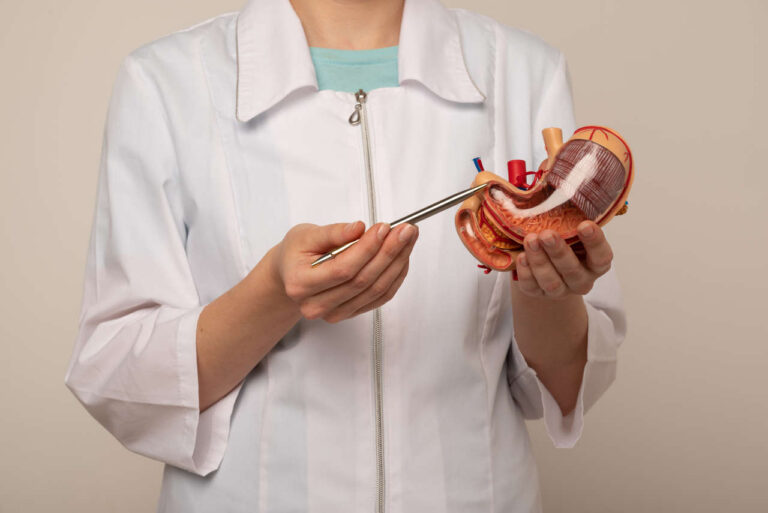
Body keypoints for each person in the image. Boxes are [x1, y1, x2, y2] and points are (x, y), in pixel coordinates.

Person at [64, 0, 626, 511]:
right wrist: (273, 296)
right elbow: (119, 373)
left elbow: (564, 382)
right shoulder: (166, 82)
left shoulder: (522, 72)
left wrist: (544, 290)